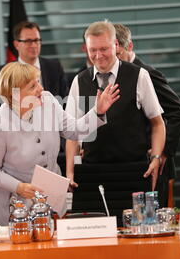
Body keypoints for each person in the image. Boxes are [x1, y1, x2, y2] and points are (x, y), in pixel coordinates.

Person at [0, 62, 120, 226]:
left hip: (49, 198)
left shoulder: (47, 101)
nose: (40, 89)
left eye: (38, 81)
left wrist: (98, 111)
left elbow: (74, 130)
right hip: (11, 205)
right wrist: (18, 187)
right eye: (32, 86)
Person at [65, 20, 166, 192]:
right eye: (93, 50)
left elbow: (158, 123)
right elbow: (72, 134)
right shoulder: (79, 81)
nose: (98, 55)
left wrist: (156, 157)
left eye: (103, 49)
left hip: (135, 170)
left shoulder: (139, 75)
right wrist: (70, 171)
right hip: (92, 171)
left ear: (116, 44)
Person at [114, 23, 180, 205]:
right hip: (127, 162)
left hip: (151, 161)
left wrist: (162, 151)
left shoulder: (146, 74)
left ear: (129, 47)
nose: (114, 62)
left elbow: (179, 112)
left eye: (118, 55)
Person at [0, 21, 68, 100]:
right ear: (16, 44)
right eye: (28, 41)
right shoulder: (2, 73)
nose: (33, 45)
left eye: (37, 40)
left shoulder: (54, 67)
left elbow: (65, 100)